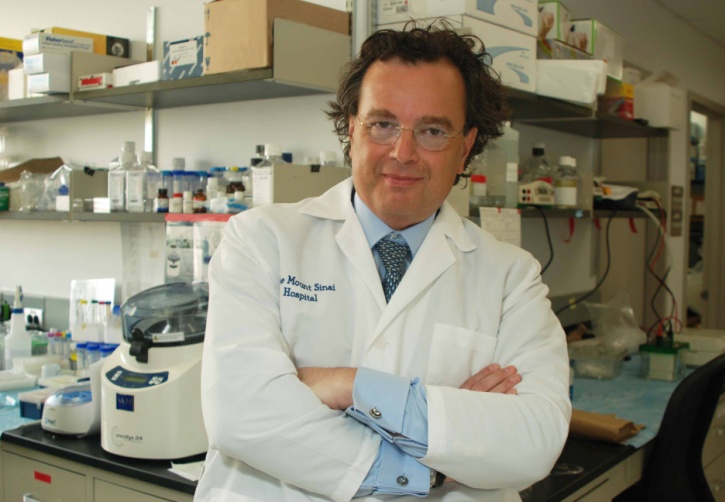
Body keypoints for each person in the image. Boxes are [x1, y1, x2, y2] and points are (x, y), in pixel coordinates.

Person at [195, 21, 571, 502]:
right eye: (383, 124)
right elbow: (240, 414)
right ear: (352, 130)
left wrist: (350, 387)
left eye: (433, 130)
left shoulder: (511, 276)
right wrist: (435, 453)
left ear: (465, 148)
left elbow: (534, 442)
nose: (403, 152)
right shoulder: (261, 239)